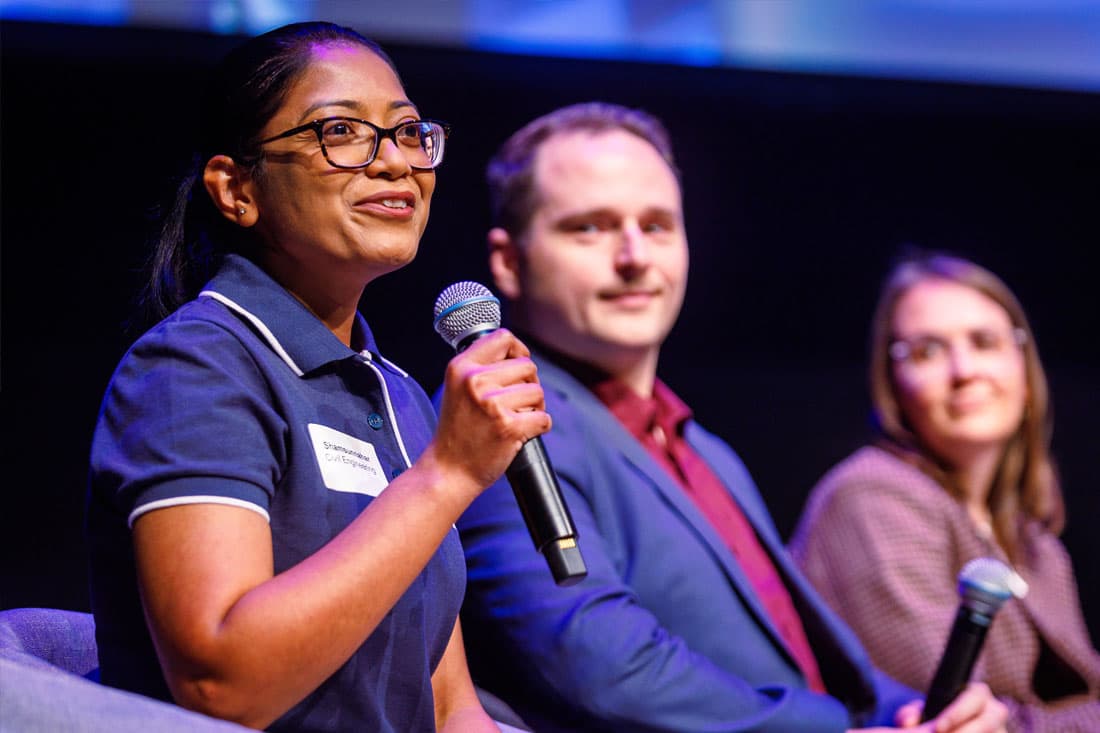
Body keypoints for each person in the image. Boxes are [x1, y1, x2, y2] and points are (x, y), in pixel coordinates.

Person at [452, 102, 1008, 732]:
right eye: (590, 228)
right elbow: (599, 667)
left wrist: (914, 713)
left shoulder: (706, 450)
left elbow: (797, 652)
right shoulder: (504, 422)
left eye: (658, 226)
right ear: (508, 262)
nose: (635, 256)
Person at [85, 21, 550, 732]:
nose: (395, 163)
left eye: (405, 132)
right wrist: (447, 475)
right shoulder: (193, 368)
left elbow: (451, 706)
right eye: (341, 132)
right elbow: (222, 682)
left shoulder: (396, 393)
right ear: (237, 189)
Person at [789, 252, 1100, 732]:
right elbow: (955, 718)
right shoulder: (871, 497)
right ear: (893, 385)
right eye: (928, 351)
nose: (964, 371)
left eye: (985, 342)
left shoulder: (1035, 543)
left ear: (1024, 367)